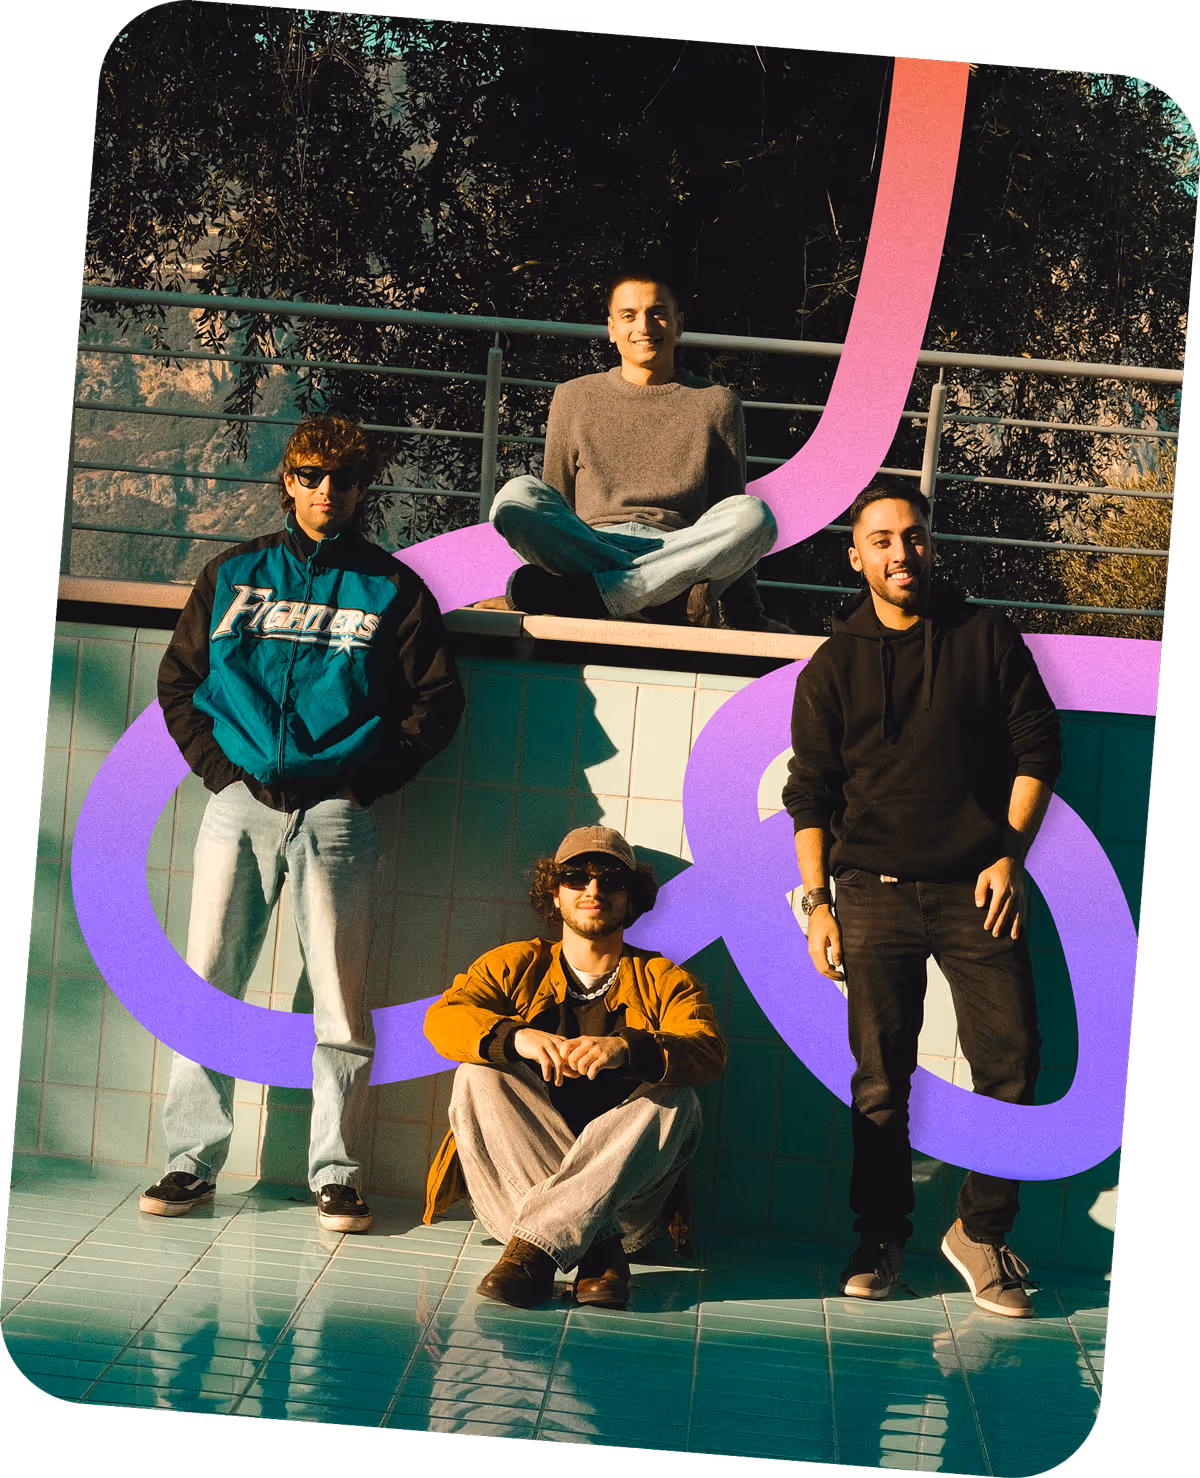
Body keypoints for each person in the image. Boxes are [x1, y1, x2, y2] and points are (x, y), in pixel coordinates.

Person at [140, 413, 465, 1234]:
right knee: (209, 980)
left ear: (363, 491)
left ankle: (335, 1173)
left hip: (335, 816)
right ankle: (190, 1162)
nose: (329, 493)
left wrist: (363, 782)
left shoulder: (391, 590)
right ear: (289, 481)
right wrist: (223, 774)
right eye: (313, 477)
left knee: (342, 1001)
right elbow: (179, 683)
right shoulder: (234, 573)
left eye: (345, 481)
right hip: (240, 804)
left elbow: (438, 701)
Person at [781, 481, 1062, 1317]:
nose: (902, 552)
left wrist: (1009, 855)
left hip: (979, 891)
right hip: (871, 895)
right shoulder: (833, 665)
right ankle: (880, 1237)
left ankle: (980, 1231)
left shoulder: (984, 637)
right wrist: (817, 902)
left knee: (1013, 1066)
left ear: (930, 545)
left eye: (914, 536)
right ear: (857, 555)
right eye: (883, 539)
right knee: (882, 1082)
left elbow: (1038, 747)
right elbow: (812, 794)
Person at [421, 825, 726, 1309]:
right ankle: (596, 1248)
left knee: (677, 1100)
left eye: (611, 879)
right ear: (554, 893)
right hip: (518, 1197)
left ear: (632, 898)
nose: (593, 889)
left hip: (628, 1213)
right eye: (575, 877)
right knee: (478, 1073)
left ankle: (545, 1249)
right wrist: (514, 1036)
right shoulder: (514, 964)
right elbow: (443, 1021)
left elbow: (707, 1051)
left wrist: (627, 1048)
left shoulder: (662, 978)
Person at [479, 268, 782, 630]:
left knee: (754, 516)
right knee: (516, 497)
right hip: (591, 547)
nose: (645, 326)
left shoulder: (716, 403)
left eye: (657, 313)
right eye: (629, 315)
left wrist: (746, 614)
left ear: (678, 324)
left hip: (677, 550)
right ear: (611, 329)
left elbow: (728, 506)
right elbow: (554, 500)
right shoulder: (574, 397)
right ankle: (653, 598)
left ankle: (600, 595)